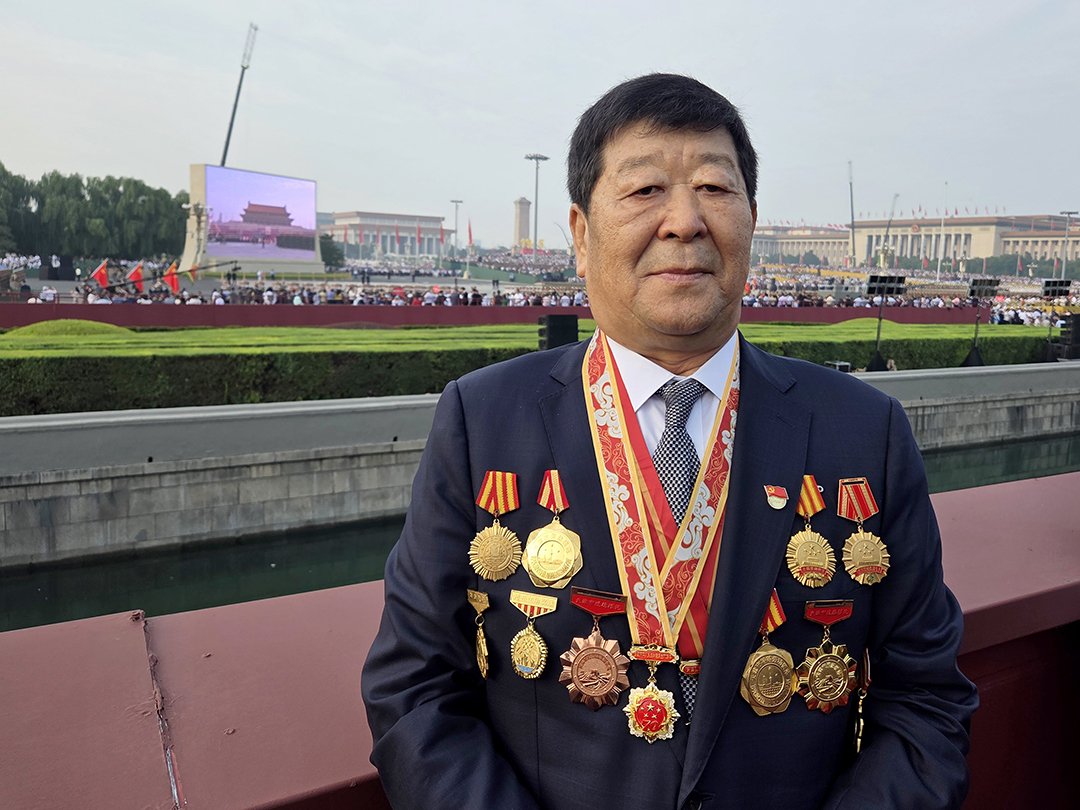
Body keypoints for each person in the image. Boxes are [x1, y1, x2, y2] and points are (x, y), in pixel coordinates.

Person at [362, 74, 977, 810]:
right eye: (644, 190)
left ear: (752, 220)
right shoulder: (483, 420)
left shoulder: (864, 431)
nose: (684, 221)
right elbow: (416, 688)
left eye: (714, 188)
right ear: (581, 235)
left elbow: (925, 701)